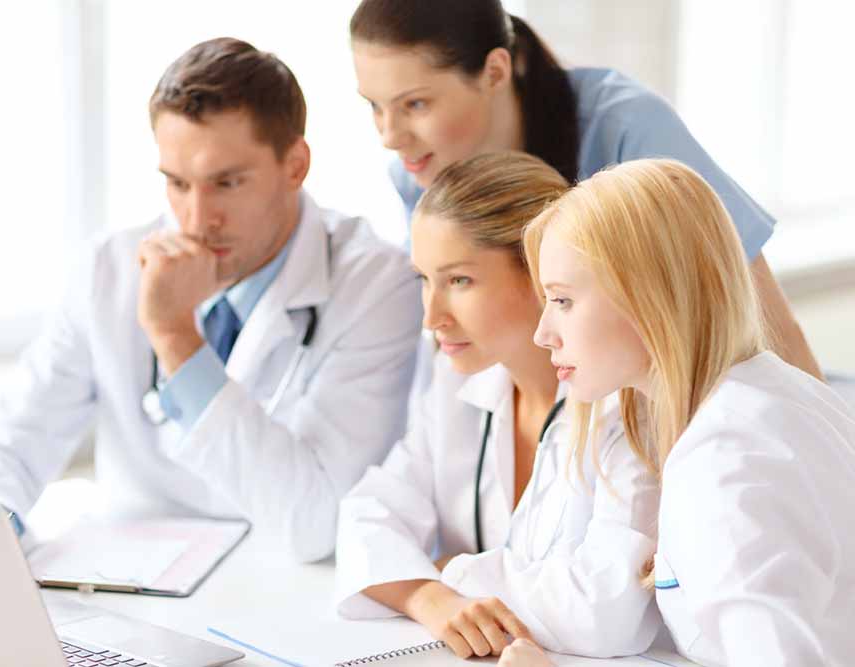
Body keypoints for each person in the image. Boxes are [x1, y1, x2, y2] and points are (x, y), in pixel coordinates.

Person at [0, 38, 423, 563]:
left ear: (295, 165)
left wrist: (175, 339)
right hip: (130, 590)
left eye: (227, 183)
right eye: (177, 183)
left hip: (286, 592)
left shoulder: (377, 286)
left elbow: (315, 525)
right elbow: (5, 446)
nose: (196, 220)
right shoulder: (111, 268)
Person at [347, 0, 822, 381]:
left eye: (415, 104)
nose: (389, 136)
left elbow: (765, 323)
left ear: (495, 71)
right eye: (374, 106)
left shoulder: (625, 129)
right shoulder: (415, 174)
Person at [517, 158, 855, 666]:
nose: (543, 333)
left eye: (563, 300)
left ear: (645, 296)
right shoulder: (771, 396)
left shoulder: (725, 462)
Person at [334, 152, 660, 659]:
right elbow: (369, 513)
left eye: (459, 281)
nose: (431, 316)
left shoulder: (627, 401)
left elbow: (605, 612)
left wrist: (456, 568)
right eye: (424, 279)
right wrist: (431, 597)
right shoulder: (458, 381)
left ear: (542, 274)